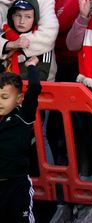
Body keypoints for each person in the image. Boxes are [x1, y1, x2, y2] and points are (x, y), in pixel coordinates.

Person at [0, 0, 58, 80]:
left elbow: (49, 34)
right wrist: (9, 45)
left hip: (39, 72)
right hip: (4, 78)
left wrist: (15, 45)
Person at [0, 59, 42, 223]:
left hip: (16, 185)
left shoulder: (23, 117)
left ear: (19, 99)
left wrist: (31, 66)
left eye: (4, 97)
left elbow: (35, 88)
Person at [1, 0, 55, 80]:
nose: (22, 21)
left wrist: (12, 80)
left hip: (30, 90)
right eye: (18, 15)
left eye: (28, 17)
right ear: (12, 16)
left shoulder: (43, 42)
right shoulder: (3, 37)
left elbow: (43, 75)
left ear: (35, 19)